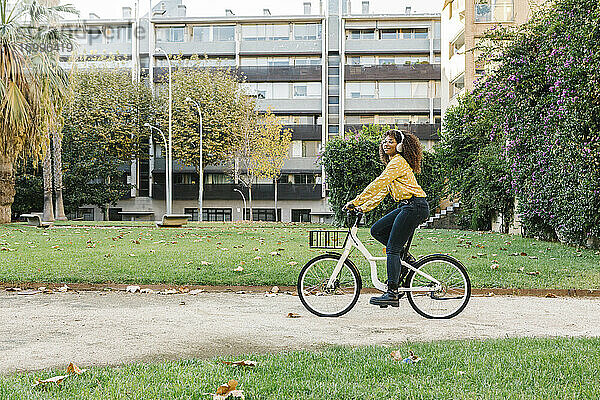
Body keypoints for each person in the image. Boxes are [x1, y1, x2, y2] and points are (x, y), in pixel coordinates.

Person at [344, 129, 429, 307]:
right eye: (384, 141)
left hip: (415, 206)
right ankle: (406, 260)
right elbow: (381, 192)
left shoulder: (398, 162)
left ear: (399, 145)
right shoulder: (392, 165)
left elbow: (378, 183)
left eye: (390, 141)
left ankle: (392, 292)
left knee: (392, 248)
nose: (386, 143)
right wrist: (362, 207)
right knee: (377, 230)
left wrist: (355, 201)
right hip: (407, 206)